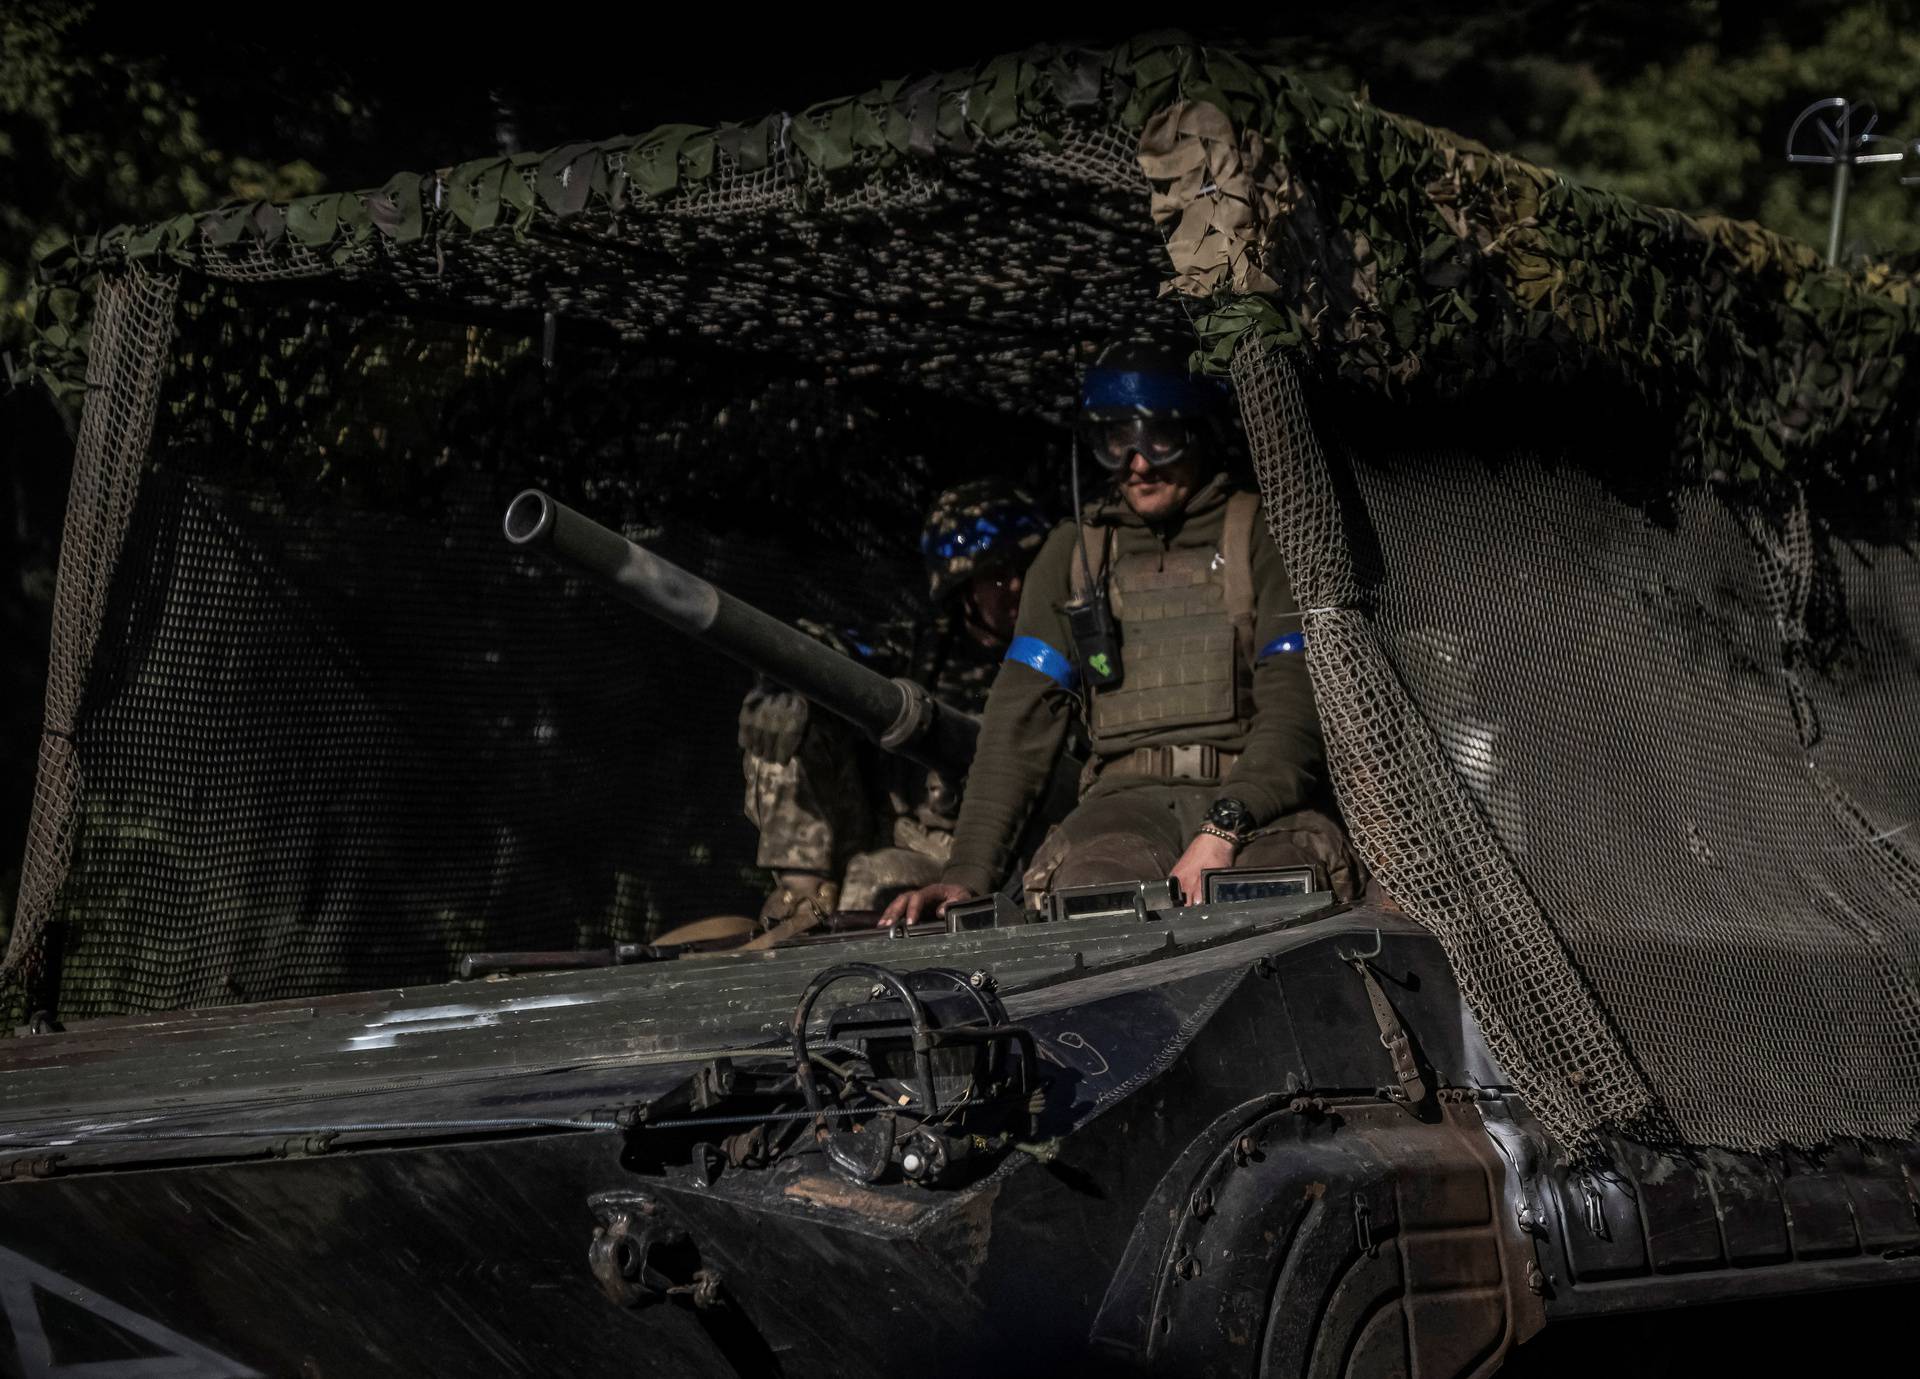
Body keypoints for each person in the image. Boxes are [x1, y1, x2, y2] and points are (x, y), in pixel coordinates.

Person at [881, 338, 1361, 927]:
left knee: (1276, 891)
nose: (1138, 463)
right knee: (1093, 893)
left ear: (1199, 431)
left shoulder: (1263, 533)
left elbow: (1296, 708)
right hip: (1122, 807)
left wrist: (1226, 825)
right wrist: (965, 873)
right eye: (1117, 441)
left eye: (1159, 438)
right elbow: (1018, 725)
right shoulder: (1074, 554)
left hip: (1259, 800)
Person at [739, 480, 1047, 923]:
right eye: (997, 575)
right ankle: (802, 897)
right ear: (963, 586)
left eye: (1027, 569)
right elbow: (825, 648)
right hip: (910, 838)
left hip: (1010, 854)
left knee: (877, 877)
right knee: (794, 710)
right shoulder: (918, 652)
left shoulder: (1058, 653)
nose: (1016, 586)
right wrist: (780, 685)